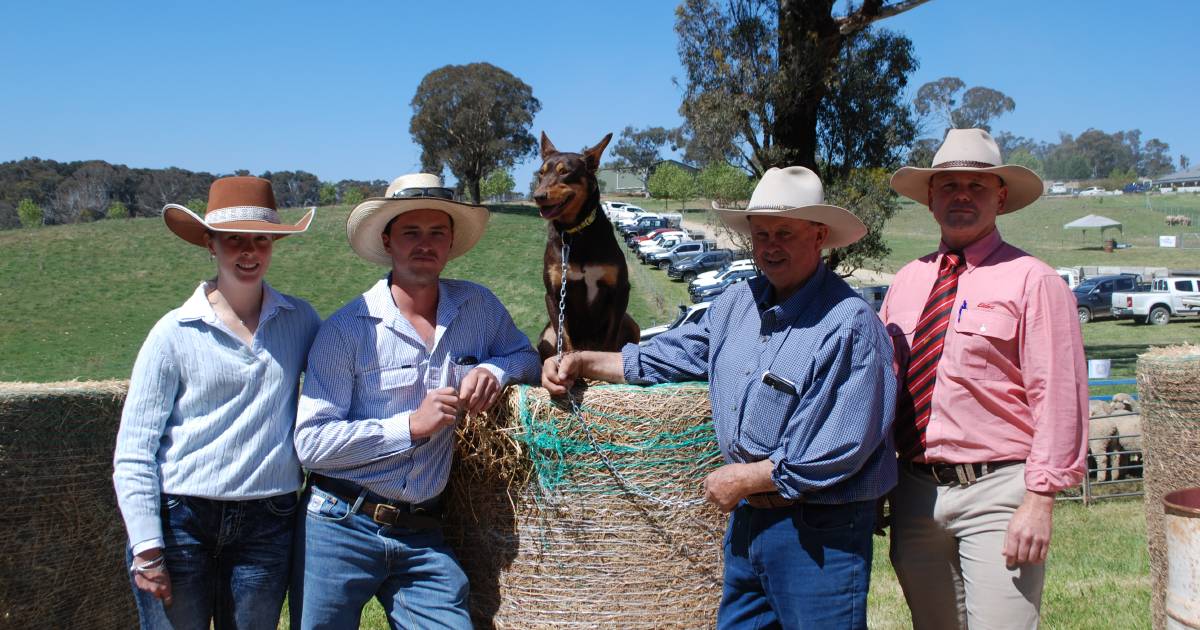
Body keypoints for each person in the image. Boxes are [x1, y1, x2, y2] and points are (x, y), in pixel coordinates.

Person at [544, 166, 896, 629]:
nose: (770, 245)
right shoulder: (737, 303)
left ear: (820, 236)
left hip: (819, 530)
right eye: (761, 233)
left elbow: (835, 451)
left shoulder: (848, 324)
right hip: (750, 522)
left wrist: (743, 480)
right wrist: (584, 362)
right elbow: (671, 355)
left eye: (785, 233)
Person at [291, 173, 540, 629]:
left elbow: (526, 357)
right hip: (339, 523)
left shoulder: (478, 307)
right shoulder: (347, 329)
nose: (424, 244)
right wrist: (409, 426)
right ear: (387, 241)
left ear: (450, 243)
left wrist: (495, 371)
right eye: (411, 233)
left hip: (422, 530)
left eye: (436, 233)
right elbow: (310, 443)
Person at [880, 128, 1088, 629]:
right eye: (949, 185)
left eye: (976, 186)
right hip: (915, 493)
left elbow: (1059, 398)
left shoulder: (1034, 280)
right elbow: (883, 389)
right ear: (931, 199)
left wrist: (1039, 501)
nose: (962, 196)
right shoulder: (906, 282)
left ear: (1000, 197)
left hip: (999, 491)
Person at [113, 176, 320, 629]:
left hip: (269, 517)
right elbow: (134, 449)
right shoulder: (173, 332)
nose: (249, 252)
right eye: (234, 241)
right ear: (210, 244)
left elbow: (346, 371)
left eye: (261, 240)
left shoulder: (300, 320)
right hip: (181, 517)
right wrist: (147, 546)